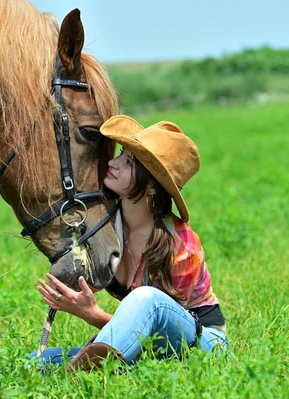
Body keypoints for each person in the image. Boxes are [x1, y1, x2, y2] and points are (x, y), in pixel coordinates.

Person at [32, 115, 227, 371]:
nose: (113, 162)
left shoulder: (180, 243)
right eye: (121, 154)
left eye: (129, 162)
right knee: (38, 360)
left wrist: (93, 315)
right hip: (150, 348)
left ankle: (90, 372)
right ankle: (98, 368)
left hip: (202, 346)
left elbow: (157, 334)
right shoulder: (109, 228)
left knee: (146, 298)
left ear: (153, 187)